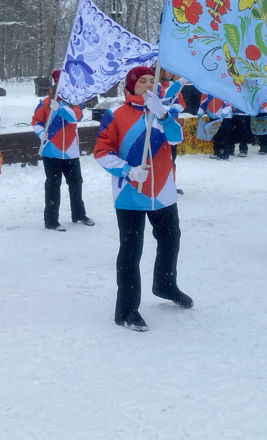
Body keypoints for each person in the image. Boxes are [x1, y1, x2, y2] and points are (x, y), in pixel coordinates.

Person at [94, 65, 191, 332]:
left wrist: (163, 114)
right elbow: (102, 152)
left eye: (152, 81)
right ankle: (126, 311)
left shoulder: (164, 111)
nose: (149, 85)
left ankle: (165, 285)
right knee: (131, 250)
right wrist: (128, 170)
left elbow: (176, 138)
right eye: (142, 82)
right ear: (131, 86)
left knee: (170, 239)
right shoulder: (115, 114)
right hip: (130, 192)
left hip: (162, 191)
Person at [31, 69, 93, 231]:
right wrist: (40, 132)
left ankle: (79, 214)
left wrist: (60, 109)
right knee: (53, 185)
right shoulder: (45, 102)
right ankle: (51, 220)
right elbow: (36, 121)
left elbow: (75, 117)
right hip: (51, 151)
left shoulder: (75, 102)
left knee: (76, 183)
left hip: (71, 151)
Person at [199, 93, 234, 160]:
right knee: (215, 134)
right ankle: (217, 152)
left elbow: (228, 99)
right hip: (213, 115)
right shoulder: (208, 90)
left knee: (224, 135)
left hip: (224, 117)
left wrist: (225, 110)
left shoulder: (223, 88)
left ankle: (224, 153)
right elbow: (204, 100)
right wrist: (201, 110)